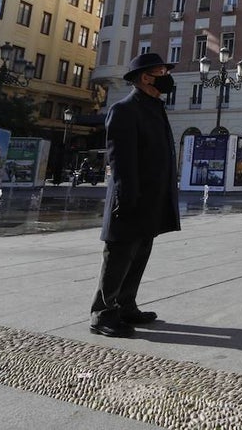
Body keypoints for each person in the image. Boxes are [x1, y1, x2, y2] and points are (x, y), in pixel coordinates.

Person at [90, 53, 181, 338]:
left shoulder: (154, 107)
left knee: (139, 255)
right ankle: (102, 313)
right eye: (162, 72)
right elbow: (120, 160)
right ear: (145, 77)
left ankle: (126, 305)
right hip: (131, 199)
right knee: (118, 256)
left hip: (151, 199)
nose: (167, 77)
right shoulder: (125, 109)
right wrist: (126, 198)